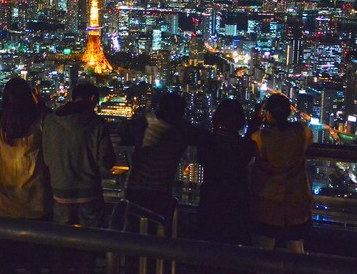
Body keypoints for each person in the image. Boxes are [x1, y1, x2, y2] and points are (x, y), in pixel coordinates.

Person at [42, 82, 116, 274]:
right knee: (88, 245)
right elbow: (106, 161)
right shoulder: (98, 124)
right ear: (92, 99)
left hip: (60, 192)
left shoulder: (50, 121)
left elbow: (47, 158)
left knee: (59, 243)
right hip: (89, 194)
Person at [0, 77, 52, 272]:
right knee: (36, 260)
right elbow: (54, 122)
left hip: (5, 200)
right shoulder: (41, 120)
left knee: (6, 257)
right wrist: (39, 102)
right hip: (36, 198)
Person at [250, 93, 313, 253]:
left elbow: (250, 145)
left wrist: (257, 119)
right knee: (296, 248)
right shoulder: (301, 132)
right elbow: (308, 142)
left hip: (268, 201)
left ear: (268, 114)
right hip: (296, 201)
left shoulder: (261, 138)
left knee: (264, 249)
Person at [192, 99, 255, 245]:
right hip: (237, 201)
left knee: (208, 244)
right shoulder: (245, 146)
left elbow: (203, 159)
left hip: (211, 199)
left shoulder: (207, 142)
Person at [124, 92, 188, 222]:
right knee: (155, 230)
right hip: (160, 190)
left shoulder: (144, 123)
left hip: (135, 186)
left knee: (132, 230)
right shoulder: (180, 133)